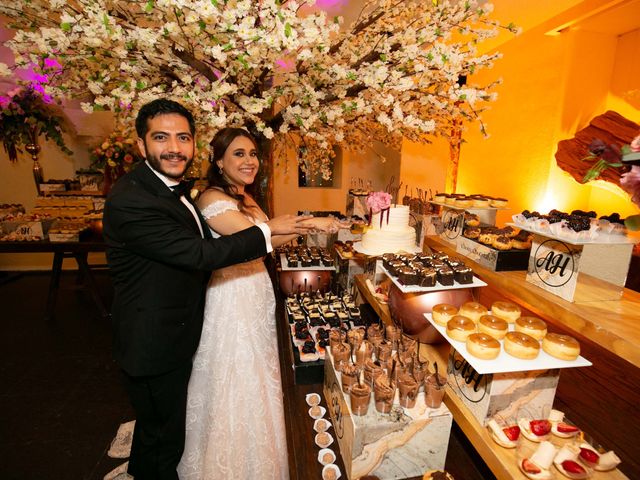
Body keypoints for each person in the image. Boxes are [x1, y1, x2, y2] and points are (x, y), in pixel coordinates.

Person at [102, 99, 311, 480]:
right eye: (161, 137)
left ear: (194, 144)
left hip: (176, 327)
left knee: (162, 432)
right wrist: (270, 228)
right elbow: (200, 253)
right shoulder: (133, 199)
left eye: (183, 138)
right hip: (153, 339)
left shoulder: (170, 189)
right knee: (163, 438)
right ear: (141, 144)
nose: (174, 148)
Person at [177, 128, 346, 479]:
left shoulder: (247, 198)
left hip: (257, 289)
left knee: (260, 369)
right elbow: (251, 239)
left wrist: (305, 228)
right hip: (231, 295)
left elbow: (272, 237)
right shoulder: (211, 198)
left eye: (252, 154)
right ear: (219, 160)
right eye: (238, 154)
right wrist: (312, 220)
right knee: (236, 372)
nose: (249, 161)